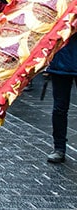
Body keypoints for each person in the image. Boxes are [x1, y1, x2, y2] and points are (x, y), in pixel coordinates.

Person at [45, 34, 77, 163]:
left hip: (62, 60)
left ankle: (59, 149)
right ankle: (59, 148)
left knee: (60, 109)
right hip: (61, 63)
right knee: (59, 108)